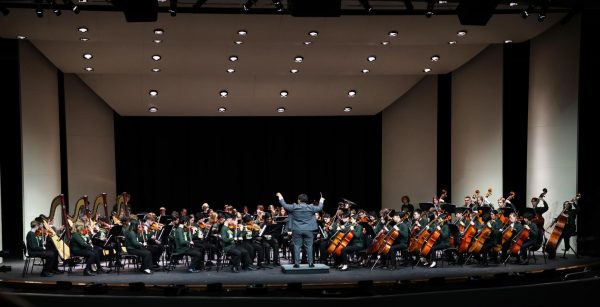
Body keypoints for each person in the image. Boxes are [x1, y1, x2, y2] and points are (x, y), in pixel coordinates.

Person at [276, 192, 324, 268]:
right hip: (309, 230)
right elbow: (320, 208)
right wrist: (321, 200)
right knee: (309, 246)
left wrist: (280, 196)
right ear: (306, 200)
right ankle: (311, 263)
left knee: (297, 246)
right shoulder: (311, 207)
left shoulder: (294, 207)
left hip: (297, 230)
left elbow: (284, 205)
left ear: (299, 200)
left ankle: (297, 264)